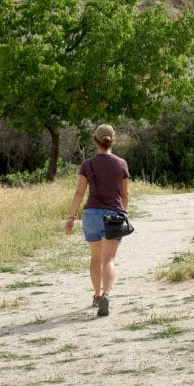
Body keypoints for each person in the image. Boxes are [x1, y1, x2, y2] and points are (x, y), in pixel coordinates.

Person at [64, 123, 130, 317]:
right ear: (112, 140)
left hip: (91, 214)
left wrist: (71, 217)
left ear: (95, 140)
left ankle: (96, 295)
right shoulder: (121, 164)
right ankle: (107, 294)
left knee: (95, 257)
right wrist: (122, 212)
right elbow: (125, 195)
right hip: (113, 215)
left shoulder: (87, 164)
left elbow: (79, 192)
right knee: (109, 258)